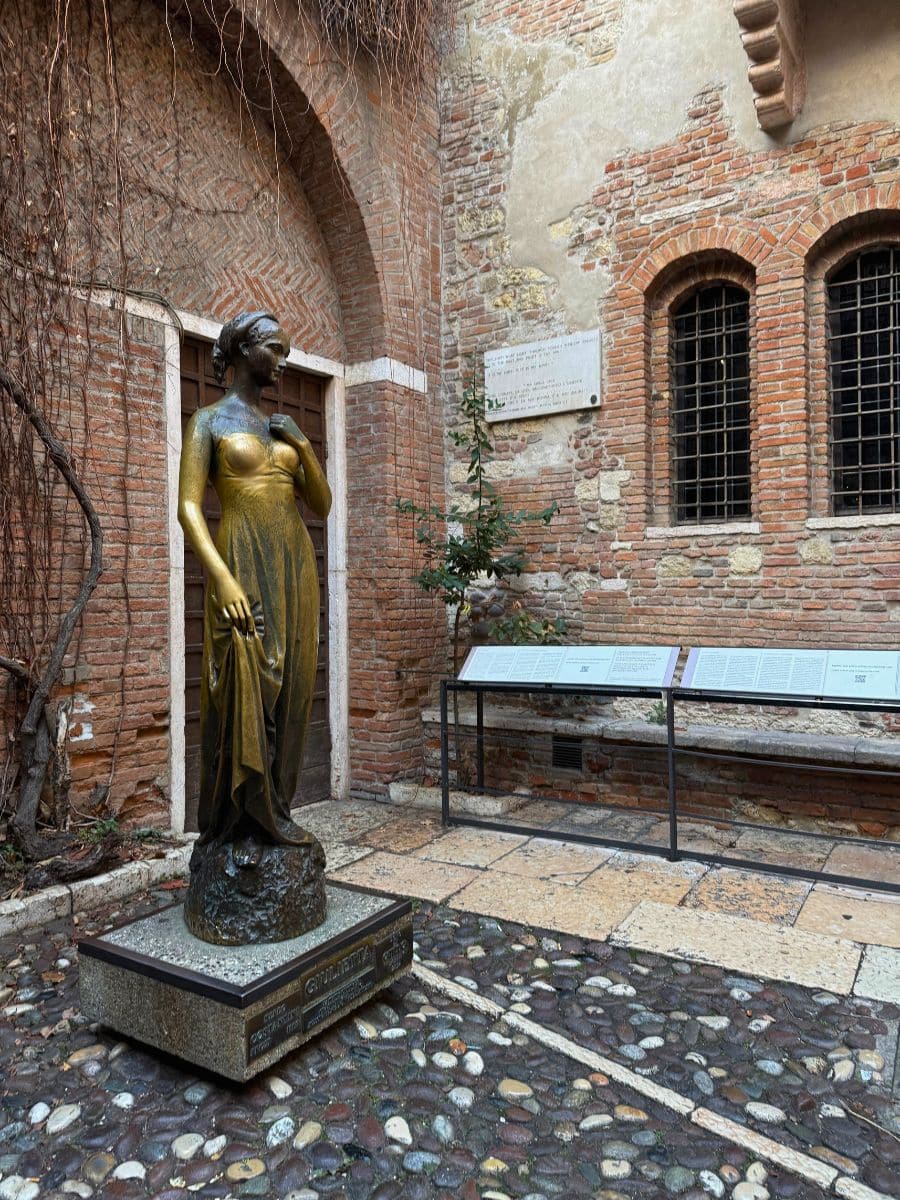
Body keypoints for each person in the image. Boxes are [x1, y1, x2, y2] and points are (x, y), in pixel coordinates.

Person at [178, 310, 332, 871]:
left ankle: (279, 813)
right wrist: (221, 578)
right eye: (275, 349)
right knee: (244, 686)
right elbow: (188, 507)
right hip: (240, 559)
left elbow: (321, 505)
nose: (284, 362)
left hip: (293, 564)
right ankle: (236, 824)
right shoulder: (209, 423)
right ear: (243, 351)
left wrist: (305, 447)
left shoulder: (281, 428)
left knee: (292, 689)